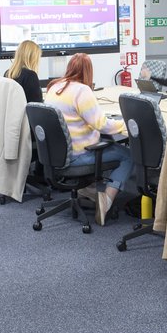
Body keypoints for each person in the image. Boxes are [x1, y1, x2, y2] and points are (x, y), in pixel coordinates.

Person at [45, 54, 133, 225]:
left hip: (57, 154)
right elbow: (102, 124)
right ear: (88, 71)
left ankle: (87, 190)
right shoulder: (81, 91)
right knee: (129, 156)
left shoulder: (55, 87)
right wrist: (125, 125)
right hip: (79, 155)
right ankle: (106, 200)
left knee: (108, 143)